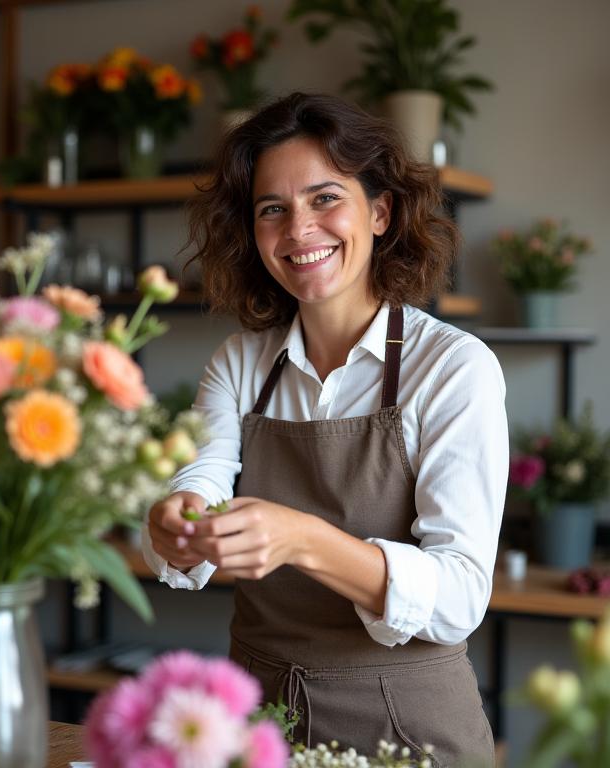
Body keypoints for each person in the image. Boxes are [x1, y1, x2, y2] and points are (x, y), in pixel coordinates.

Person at [144, 91, 508, 766]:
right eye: (272, 209)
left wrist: (306, 539)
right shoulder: (241, 362)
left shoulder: (454, 368)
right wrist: (176, 521)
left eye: (324, 199)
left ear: (379, 210)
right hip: (256, 725)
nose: (299, 229)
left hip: (409, 730)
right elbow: (201, 476)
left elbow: (460, 595)